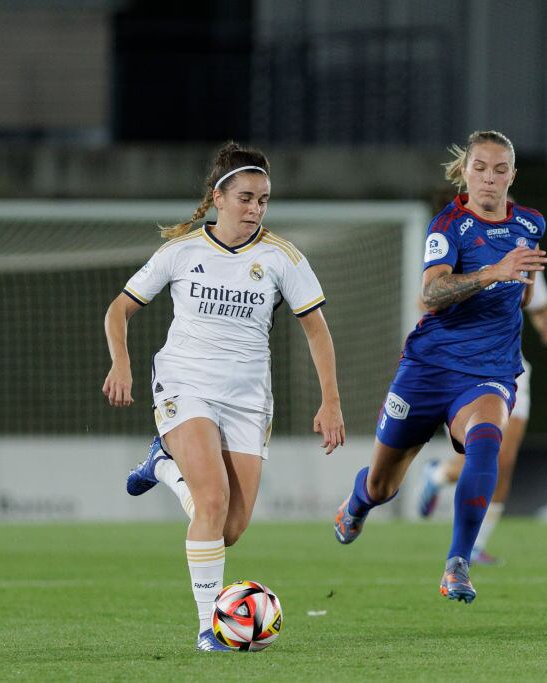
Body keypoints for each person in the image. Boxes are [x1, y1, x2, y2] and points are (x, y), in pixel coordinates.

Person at [102, 142, 345, 651]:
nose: (256, 209)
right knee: (211, 502)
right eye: (246, 198)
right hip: (185, 384)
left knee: (228, 528)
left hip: (248, 398)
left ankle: (162, 467)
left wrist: (331, 402)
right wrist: (120, 363)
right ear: (219, 197)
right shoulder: (182, 251)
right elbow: (118, 310)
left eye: (264, 200)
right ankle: (208, 627)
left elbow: (317, 331)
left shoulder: (282, 257)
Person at [332, 130, 547, 604]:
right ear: (465, 172)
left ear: (513, 175)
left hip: (489, 370)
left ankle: (458, 563)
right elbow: (431, 294)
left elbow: (525, 287)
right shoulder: (448, 226)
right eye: (480, 168)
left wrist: (520, 289)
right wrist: (494, 272)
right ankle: (357, 502)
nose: (489, 178)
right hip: (428, 369)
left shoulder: (531, 225)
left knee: (487, 442)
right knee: (382, 484)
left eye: (499, 169)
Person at [417, 269, 547, 565]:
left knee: (504, 461)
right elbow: (427, 301)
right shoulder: (460, 247)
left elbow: (539, 306)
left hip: (513, 371)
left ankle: (474, 544)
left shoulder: (523, 250)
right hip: (466, 372)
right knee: (486, 457)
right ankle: (439, 474)